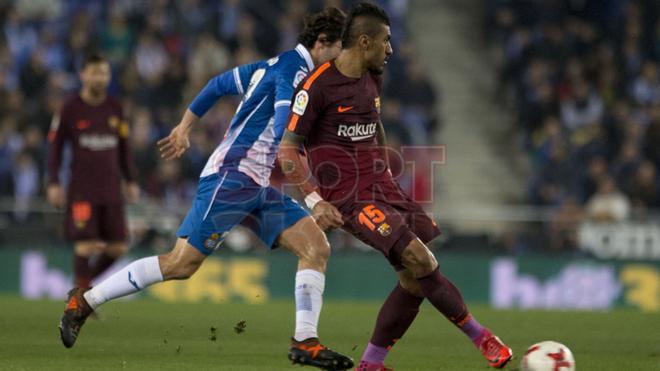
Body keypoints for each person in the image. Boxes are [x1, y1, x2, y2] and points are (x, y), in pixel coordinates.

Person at [59, 9, 354, 370]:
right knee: (180, 264)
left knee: (315, 246)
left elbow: (218, 84)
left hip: (256, 184)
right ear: (323, 44)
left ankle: (305, 342)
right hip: (232, 178)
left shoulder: (271, 64)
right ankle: (84, 303)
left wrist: (185, 126)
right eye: (342, 48)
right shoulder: (294, 73)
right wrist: (314, 197)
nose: (344, 59)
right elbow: (283, 138)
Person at [278, 3, 513, 370]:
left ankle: (371, 364)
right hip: (351, 199)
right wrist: (314, 200)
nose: (392, 49)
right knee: (421, 259)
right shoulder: (318, 86)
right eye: (386, 41)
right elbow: (288, 148)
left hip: (383, 187)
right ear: (365, 41)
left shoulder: (373, 76)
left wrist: (385, 166)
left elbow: (373, 122)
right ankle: (483, 338)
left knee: (413, 281)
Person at [47, 53, 139, 291]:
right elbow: (55, 148)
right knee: (85, 245)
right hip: (82, 189)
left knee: (119, 247)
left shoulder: (115, 108)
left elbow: (123, 147)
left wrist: (130, 180)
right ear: (83, 75)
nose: (100, 78)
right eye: (95, 72)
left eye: (105, 73)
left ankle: (82, 289)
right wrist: (54, 182)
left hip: (111, 188)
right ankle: (79, 301)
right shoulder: (70, 108)